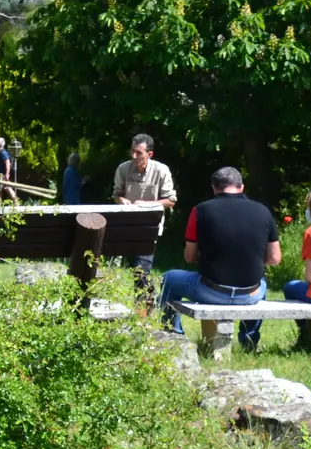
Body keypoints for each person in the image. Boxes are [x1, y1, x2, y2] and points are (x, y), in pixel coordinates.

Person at [158, 167, 281, 350]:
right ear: (242, 187)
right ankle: (248, 341)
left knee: (169, 277)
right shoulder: (263, 211)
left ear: (214, 188)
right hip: (249, 294)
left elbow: (189, 256)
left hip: (211, 290)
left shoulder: (200, 211)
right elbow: (274, 258)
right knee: (262, 284)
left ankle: (173, 335)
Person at [113, 133, 177, 284]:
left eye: (139, 153)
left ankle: (143, 305)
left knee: (142, 270)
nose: (134, 156)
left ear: (150, 154)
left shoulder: (161, 171)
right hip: (126, 225)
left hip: (150, 227)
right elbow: (116, 194)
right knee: (124, 268)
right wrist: (121, 200)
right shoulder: (123, 169)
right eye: (132, 151)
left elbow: (171, 200)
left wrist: (146, 205)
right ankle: (142, 301)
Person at [0, 136, 16, 201]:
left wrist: (7, 174)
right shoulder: (2, 152)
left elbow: (7, 162)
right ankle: (16, 202)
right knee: (7, 188)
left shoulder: (3, 152)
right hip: (2, 175)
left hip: (1, 175)